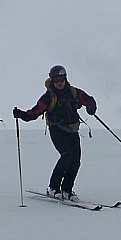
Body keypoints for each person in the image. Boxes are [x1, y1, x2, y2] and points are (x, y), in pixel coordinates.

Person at [13, 65, 97, 200]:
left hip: (72, 130)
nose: (59, 83)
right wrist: (22, 114)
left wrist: (91, 105)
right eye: (56, 80)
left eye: (61, 79)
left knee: (75, 160)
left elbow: (87, 99)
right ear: (52, 81)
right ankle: (53, 187)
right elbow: (35, 112)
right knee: (66, 156)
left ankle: (67, 190)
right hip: (57, 129)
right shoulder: (49, 97)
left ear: (65, 79)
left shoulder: (73, 92)